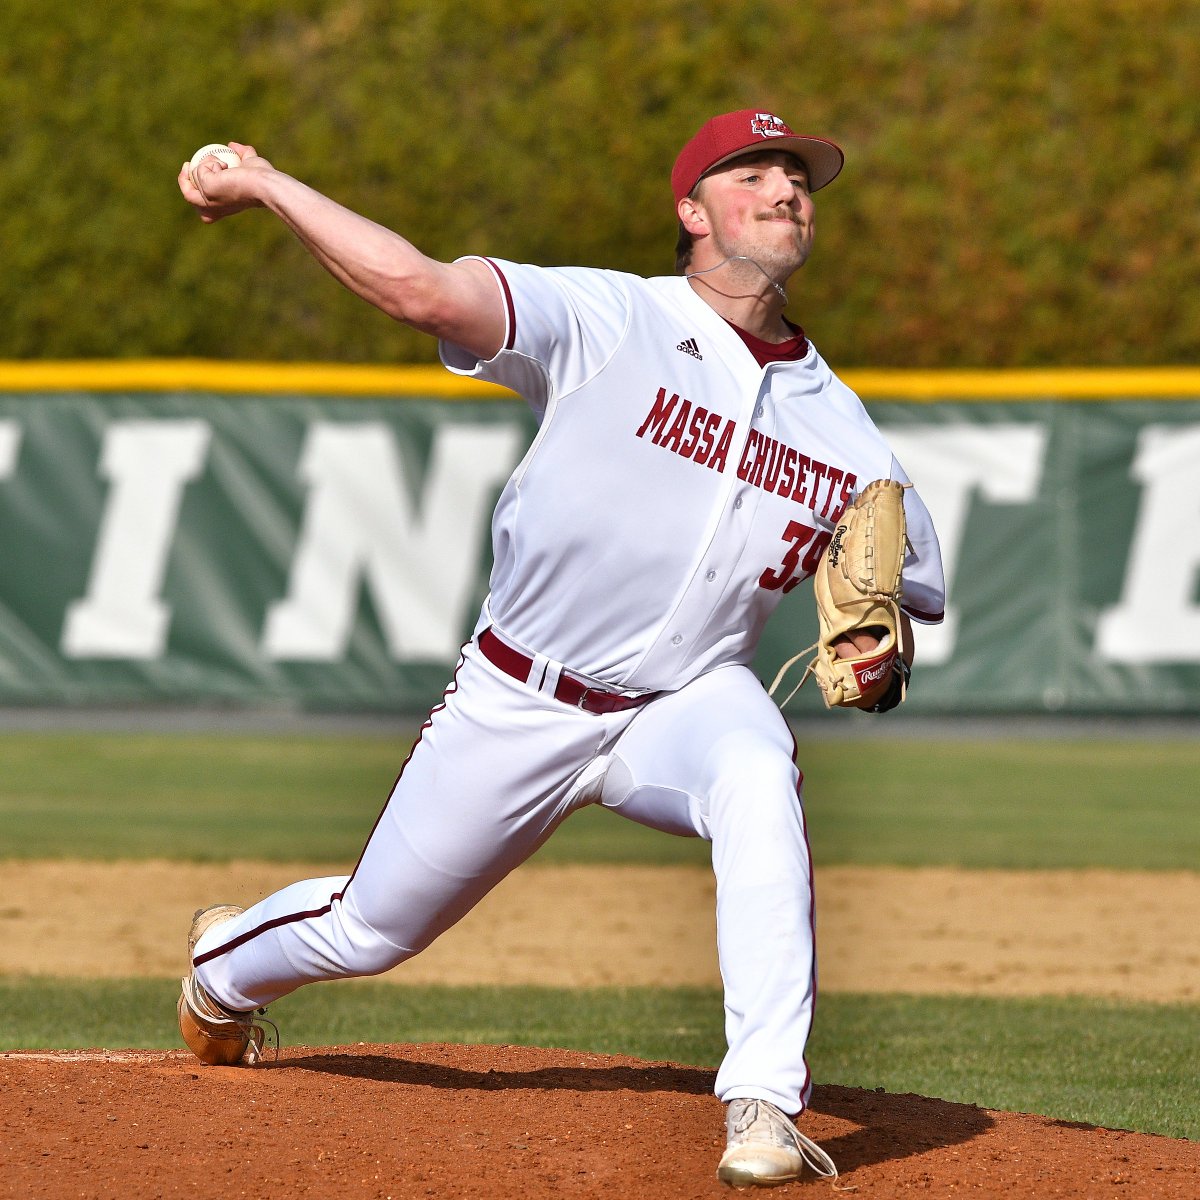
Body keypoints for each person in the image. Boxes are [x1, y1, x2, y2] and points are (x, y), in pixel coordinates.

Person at [176, 108, 945, 1187]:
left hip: (682, 701)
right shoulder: (608, 315)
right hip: (521, 696)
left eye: (798, 176)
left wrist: (884, 641)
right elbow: (416, 287)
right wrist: (264, 182)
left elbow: (912, 577)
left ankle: (765, 1105)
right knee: (370, 931)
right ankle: (222, 970)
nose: (784, 188)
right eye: (753, 171)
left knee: (758, 768)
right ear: (692, 210)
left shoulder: (841, 424)